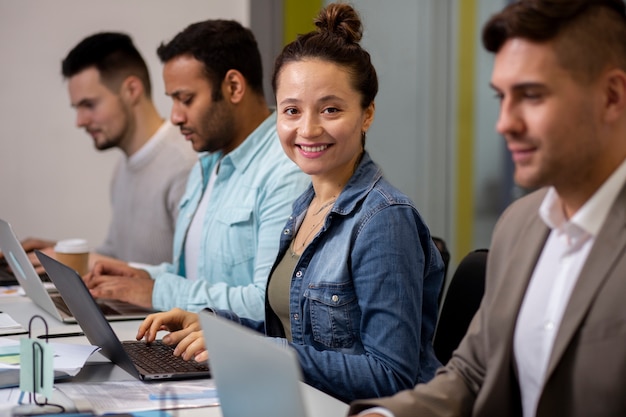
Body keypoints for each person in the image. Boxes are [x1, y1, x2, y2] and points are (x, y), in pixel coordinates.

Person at [135, 3, 444, 404]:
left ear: (366, 114)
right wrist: (214, 326)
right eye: (292, 111)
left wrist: (264, 353)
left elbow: (391, 375)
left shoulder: (384, 220)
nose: (308, 129)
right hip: (295, 402)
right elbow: (295, 332)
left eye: (331, 109)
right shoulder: (305, 206)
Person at [349, 0, 626, 416]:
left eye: (531, 95)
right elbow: (475, 372)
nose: (504, 122)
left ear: (611, 96)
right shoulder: (519, 224)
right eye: (501, 96)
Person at [83, 20, 309, 319]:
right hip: (191, 343)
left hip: (234, 356)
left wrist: (156, 291)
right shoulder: (207, 163)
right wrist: (139, 276)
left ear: (233, 87)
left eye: (186, 99)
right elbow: (194, 276)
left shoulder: (285, 171)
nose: (175, 117)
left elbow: (267, 304)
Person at [23, 32, 197, 266]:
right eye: (77, 108)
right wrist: (61, 255)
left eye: (89, 105)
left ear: (132, 90)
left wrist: (86, 262)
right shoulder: (123, 169)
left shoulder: (186, 164)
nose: (80, 121)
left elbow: (192, 279)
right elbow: (119, 257)